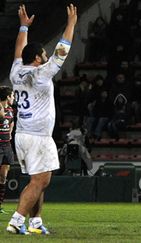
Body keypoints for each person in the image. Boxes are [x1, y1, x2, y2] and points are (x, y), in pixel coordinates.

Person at [7, 4, 77, 235]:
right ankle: (17, 221)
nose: (46, 58)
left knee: (40, 178)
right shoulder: (41, 73)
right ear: (37, 58)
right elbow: (62, 50)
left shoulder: (16, 72)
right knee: (40, 181)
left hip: (22, 134)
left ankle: (36, 222)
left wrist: (23, 28)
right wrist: (71, 25)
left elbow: (19, 51)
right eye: (43, 55)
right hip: (38, 136)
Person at [0, 86, 15, 214]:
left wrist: (10, 131)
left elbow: (11, 121)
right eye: (12, 95)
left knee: (3, 176)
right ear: (7, 97)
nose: (14, 98)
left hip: (7, 145)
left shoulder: (10, 109)